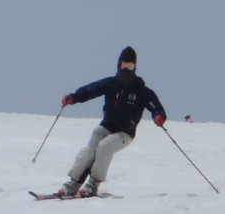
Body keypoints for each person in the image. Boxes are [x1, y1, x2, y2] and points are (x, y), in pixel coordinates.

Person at [54, 46, 166, 197]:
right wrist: (74, 97)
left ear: (135, 68)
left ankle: (93, 184)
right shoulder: (111, 83)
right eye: (124, 65)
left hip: (125, 133)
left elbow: (156, 108)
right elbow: (91, 89)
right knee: (89, 150)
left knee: (104, 147)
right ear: (119, 65)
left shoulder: (142, 91)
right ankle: (73, 184)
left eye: (130, 66)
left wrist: (159, 116)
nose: (126, 69)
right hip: (106, 127)